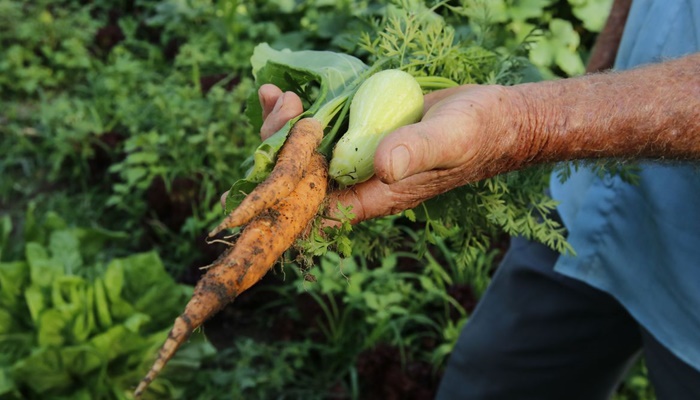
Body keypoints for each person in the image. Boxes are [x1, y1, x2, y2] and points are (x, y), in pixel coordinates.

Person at [242, 0, 700, 397]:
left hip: (690, 284)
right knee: (491, 377)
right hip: (580, 207)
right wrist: (597, 77)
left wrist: (531, 124)